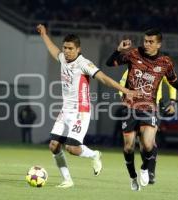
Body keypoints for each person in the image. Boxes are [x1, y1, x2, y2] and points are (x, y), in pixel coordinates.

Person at [36, 24, 138, 188]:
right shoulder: (63, 58)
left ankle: (95, 154)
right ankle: (67, 180)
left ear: (78, 49)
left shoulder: (84, 63)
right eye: (65, 47)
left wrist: (125, 89)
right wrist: (44, 35)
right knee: (53, 146)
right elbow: (52, 49)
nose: (67, 51)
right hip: (65, 111)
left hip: (80, 111)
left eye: (70, 48)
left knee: (71, 148)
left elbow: (104, 78)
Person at [106, 28, 178, 191]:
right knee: (128, 147)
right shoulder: (134, 54)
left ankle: (145, 168)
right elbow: (110, 63)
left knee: (148, 144)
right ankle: (133, 177)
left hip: (150, 107)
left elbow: (172, 81)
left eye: (150, 42)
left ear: (158, 44)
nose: (146, 44)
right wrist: (118, 49)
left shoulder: (165, 62)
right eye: (145, 41)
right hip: (130, 107)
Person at [119, 71, 176, 185]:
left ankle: (150, 171)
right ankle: (145, 168)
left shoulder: (161, 68)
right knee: (135, 145)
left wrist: (172, 101)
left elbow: (171, 83)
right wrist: (123, 97)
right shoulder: (133, 65)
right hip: (133, 106)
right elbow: (122, 82)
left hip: (154, 106)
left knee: (148, 141)